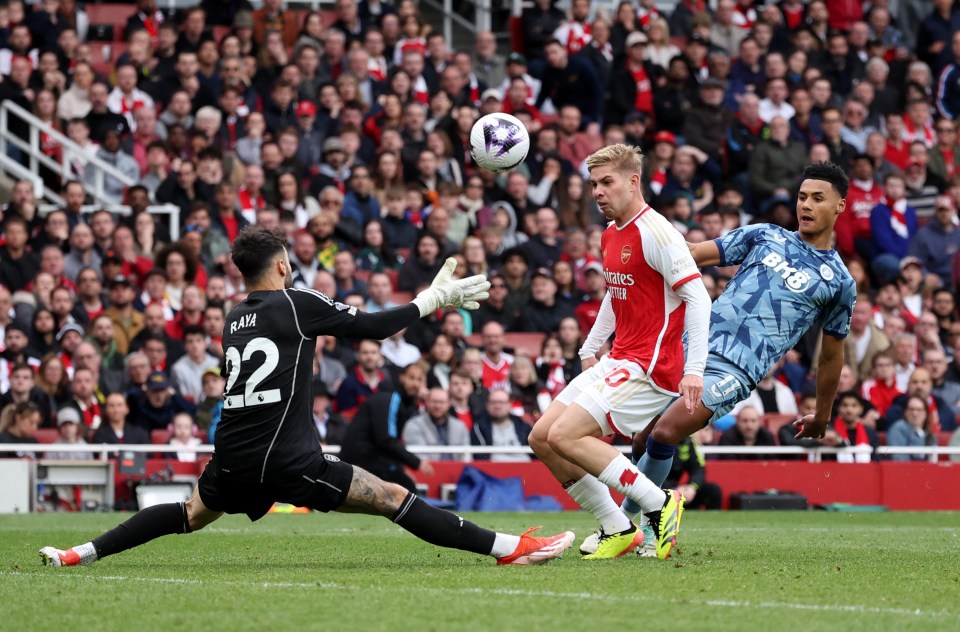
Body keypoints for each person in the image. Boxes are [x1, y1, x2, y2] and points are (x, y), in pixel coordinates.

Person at [41, 226, 573, 568]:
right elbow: (371, 327)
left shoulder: (233, 317)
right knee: (390, 498)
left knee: (190, 512)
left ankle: (79, 553)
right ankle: (510, 549)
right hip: (286, 460)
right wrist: (432, 300)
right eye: (289, 260)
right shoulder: (293, 303)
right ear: (280, 265)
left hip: (232, 455)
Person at [596, 162, 856, 556]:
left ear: (839, 206)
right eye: (802, 196)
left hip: (736, 369)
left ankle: (631, 526)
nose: (806, 205)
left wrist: (822, 413)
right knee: (643, 436)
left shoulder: (838, 282)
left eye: (818, 198)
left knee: (667, 432)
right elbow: (691, 256)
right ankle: (635, 525)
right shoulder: (764, 234)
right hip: (689, 347)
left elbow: (832, 356)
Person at [527, 143, 710, 561]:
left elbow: (699, 299)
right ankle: (617, 527)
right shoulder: (612, 233)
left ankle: (659, 503)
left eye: (607, 182)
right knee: (542, 438)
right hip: (620, 358)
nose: (597, 192)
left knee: (565, 435)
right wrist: (591, 346)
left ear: (634, 181)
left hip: (651, 367)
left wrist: (694, 370)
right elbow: (617, 290)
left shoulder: (659, 233)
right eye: (593, 184)